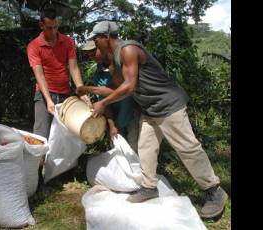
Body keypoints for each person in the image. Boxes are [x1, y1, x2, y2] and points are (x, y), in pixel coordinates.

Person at [80, 21, 228, 219]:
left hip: (168, 105)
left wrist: (102, 103)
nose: (94, 43)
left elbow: (130, 86)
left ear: (106, 37)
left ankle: (214, 190)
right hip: (150, 109)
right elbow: (120, 87)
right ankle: (149, 187)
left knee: (187, 148)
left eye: (95, 39)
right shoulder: (115, 58)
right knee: (146, 147)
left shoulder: (129, 49)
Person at [26, 8, 89, 185]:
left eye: (56, 27)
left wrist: (81, 90)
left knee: (67, 133)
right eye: (49, 28)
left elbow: (74, 68)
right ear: (41, 25)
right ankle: (35, 177)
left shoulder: (67, 41)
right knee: (40, 134)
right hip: (44, 93)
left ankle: (64, 171)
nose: (54, 32)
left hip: (64, 93)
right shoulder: (34, 46)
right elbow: (39, 74)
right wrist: (47, 100)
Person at [79, 40, 139, 152]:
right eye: (89, 54)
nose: (92, 56)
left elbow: (128, 89)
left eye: (94, 51)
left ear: (102, 47)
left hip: (132, 115)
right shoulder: (98, 74)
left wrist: (88, 89)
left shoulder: (121, 64)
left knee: (135, 150)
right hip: (116, 120)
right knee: (119, 153)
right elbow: (104, 103)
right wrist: (112, 125)